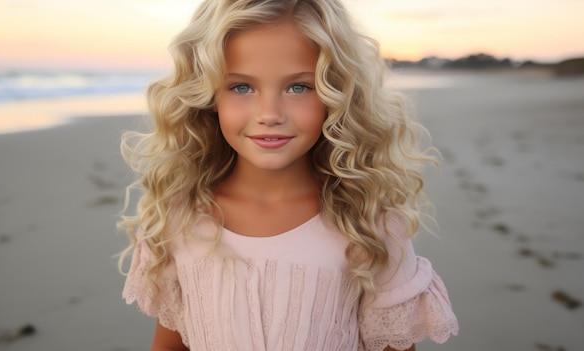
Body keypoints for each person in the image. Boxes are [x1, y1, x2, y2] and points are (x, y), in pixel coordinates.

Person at [118, 0, 459, 350]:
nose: (269, 114)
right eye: (241, 87)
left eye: (298, 87)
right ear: (208, 95)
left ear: (337, 94)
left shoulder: (367, 224)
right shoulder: (179, 217)